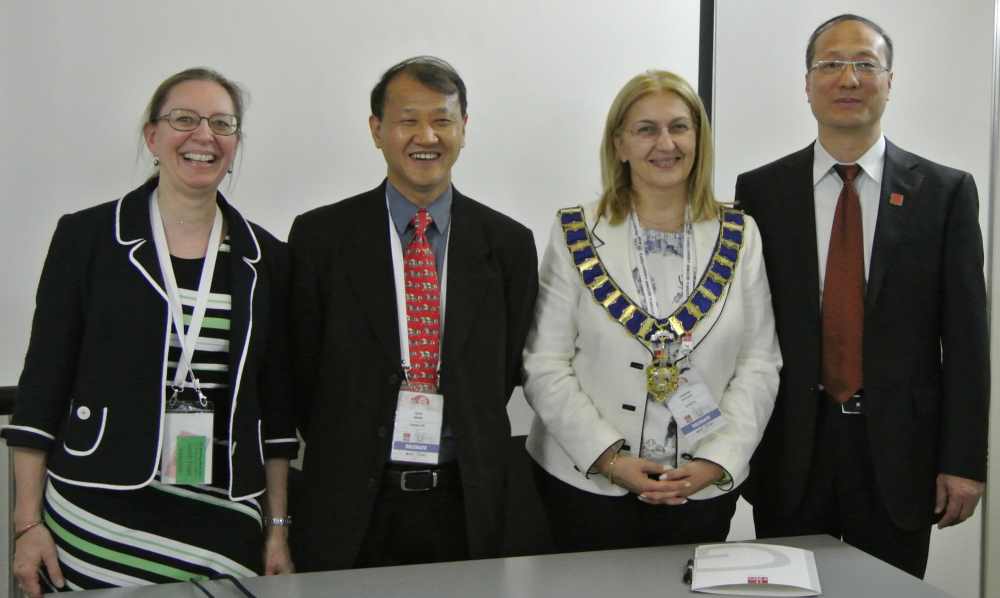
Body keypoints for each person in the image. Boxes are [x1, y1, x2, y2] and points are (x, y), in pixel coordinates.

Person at [2, 67, 299, 596]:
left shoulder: (267, 258)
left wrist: (277, 529)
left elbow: (276, 412)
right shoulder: (88, 238)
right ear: (152, 136)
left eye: (222, 123)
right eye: (184, 119)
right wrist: (27, 525)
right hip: (96, 511)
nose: (204, 135)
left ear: (235, 144)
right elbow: (42, 388)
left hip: (223, 518)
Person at [734, 14, 988, 578]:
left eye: (865, 65)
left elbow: (967, 342)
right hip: (792, 449)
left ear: (890, 82)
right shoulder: (761, 191)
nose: (848, 79)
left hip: (901, 453)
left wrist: (964, 461)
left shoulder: (945, 193)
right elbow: (748, 328)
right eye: (830, 64)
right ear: (807, 84)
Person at [288, 56, 538, 570]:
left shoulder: (508, 244)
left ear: (464, 128)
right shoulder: (320, 239)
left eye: (443, 120)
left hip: (468, 503)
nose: (427, 136)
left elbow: (505, 369)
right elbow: (301, 367)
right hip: (349, 504)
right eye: (408, 120)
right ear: (377, 130)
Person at [522, 70, 780, 552]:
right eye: (646, 129)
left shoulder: (741, 235)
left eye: (679, 127)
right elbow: (545, 364)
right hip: (585, 483)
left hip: (699, 486)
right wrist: (609, 459)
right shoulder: (575, 230)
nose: (666, 143)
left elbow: (759, 364)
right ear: (619, 144)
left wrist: (717, 461)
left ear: (699, 139)